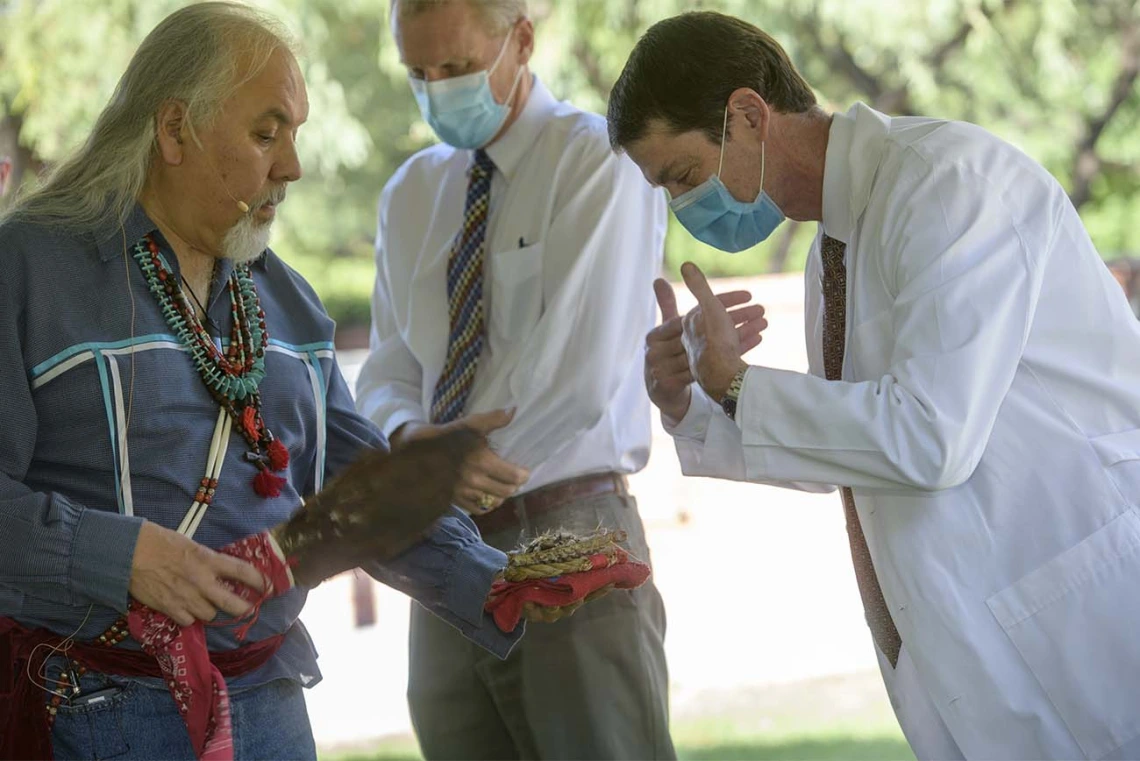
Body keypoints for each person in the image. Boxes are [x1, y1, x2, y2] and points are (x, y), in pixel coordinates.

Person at [609, 10, 1140, 761]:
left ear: (749, 114)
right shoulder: (834, 246)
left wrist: (742, 387)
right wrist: (696, 401)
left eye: (685, 176)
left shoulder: (949, 187)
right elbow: (859, 445)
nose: (683, 209)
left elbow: (929, 436)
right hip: (973, 638)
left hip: (1082, 618)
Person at [0, 4, 525, 759]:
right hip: (96, 707)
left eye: (296, 133)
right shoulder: (30, 266)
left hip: (271, 701)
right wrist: (120, 555)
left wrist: (503, 580)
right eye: (265, 132)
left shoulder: (286, 302)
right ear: (175, 130)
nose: (293, 166)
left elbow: (359, 492)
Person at [355, 0, 675, 757]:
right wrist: (408, 441)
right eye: (418, 73)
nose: (436, 90)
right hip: (441, 546)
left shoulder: (598, 160)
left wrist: (452, 471)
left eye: (457, 68)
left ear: (522, 39)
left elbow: (583, 370)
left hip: (567, 530)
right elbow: (390, 366)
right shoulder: (410, 194)